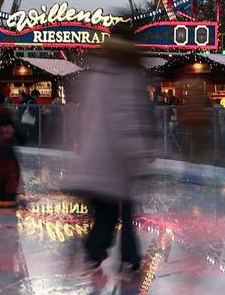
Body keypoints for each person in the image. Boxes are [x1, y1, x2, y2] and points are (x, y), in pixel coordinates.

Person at [64, 23, 154, 274]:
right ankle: (106, 252)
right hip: (115, 161)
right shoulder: (126, 75)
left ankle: (112, 252)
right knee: (117, 212)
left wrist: (80, 142)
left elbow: (82, 113)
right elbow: (126, 119)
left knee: (108, 212)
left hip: (96, 160)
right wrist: (137, 153)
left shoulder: (97, 72)